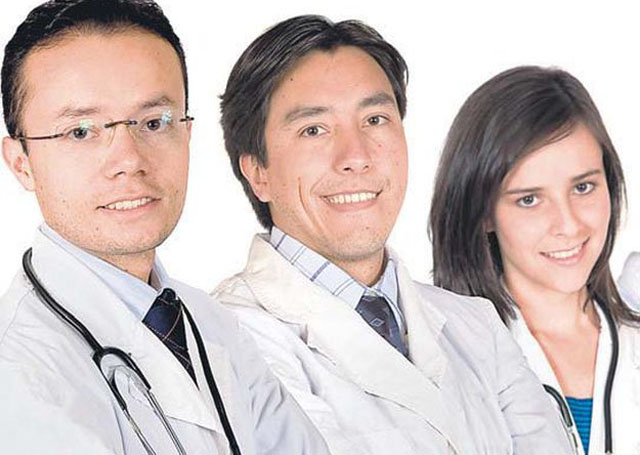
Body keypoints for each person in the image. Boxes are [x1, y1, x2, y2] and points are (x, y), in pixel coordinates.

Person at [213, 15, 572, 455]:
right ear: (258, 172)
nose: (356, 156)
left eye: (375, 119)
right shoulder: (229, 341)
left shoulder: (476, 325)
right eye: (314, 129)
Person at [0, 1, 330, 454]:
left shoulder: (212, 325)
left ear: (188, 134)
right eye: (81, 131)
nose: (129, 160)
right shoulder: (17, 373)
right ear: (21, 162)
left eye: (154, 123)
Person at [429, 65, 640, 455]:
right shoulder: (440, 360)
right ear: (483, 212)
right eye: (529, 199)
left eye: (583, 187)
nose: (568, 224)